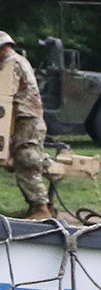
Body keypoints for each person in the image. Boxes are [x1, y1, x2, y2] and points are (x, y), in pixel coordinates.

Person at [0, 30, 50, 217]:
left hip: (27, 119)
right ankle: (36, 206)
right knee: (26, 159)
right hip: (23, 118)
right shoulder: (16, 61)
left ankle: (41, 208)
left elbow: (4, 94)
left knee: (26, 159)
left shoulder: (11, 64)